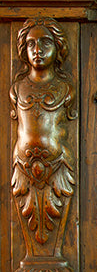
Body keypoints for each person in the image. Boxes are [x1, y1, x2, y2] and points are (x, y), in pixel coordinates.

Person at [11, 19, 76, 246]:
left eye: (45, 43)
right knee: (31, 225)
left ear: (58, 48)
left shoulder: (65, 88)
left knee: (55, 219)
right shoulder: (17, 88)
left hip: (57, 164)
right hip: (23, 166)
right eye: (31, 44)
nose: (37, 50)